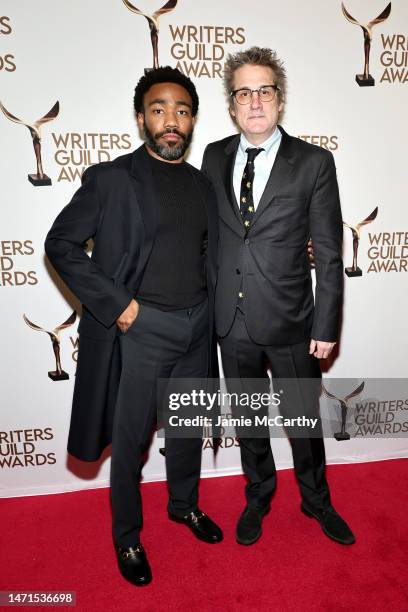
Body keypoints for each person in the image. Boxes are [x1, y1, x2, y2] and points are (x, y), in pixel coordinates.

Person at [45, 66, 222, 588]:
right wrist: (119, 304)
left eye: (182, 111)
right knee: (130, 444)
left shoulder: (202, 185)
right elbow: (61, 245)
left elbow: (215, 251)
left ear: (192, 120)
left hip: (198, 327)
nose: (172, 121)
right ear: (142, 116)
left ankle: (184, 506)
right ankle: (127, 535)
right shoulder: (111, 179)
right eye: (160, 109)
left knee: (187, 431)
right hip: (142, 329)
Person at [201, 47, 355, 546]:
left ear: (280, 100)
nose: (254, 101)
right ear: (231, 104)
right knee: (248, 422)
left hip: (291, 321)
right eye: (243, 92)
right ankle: (258, 495)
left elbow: (329, 252)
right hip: (233, 321)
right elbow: (212, 239)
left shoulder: (313, 162)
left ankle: (316, 502)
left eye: (264, 90)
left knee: (303, 424)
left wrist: (326, 326)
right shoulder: (213, 156)